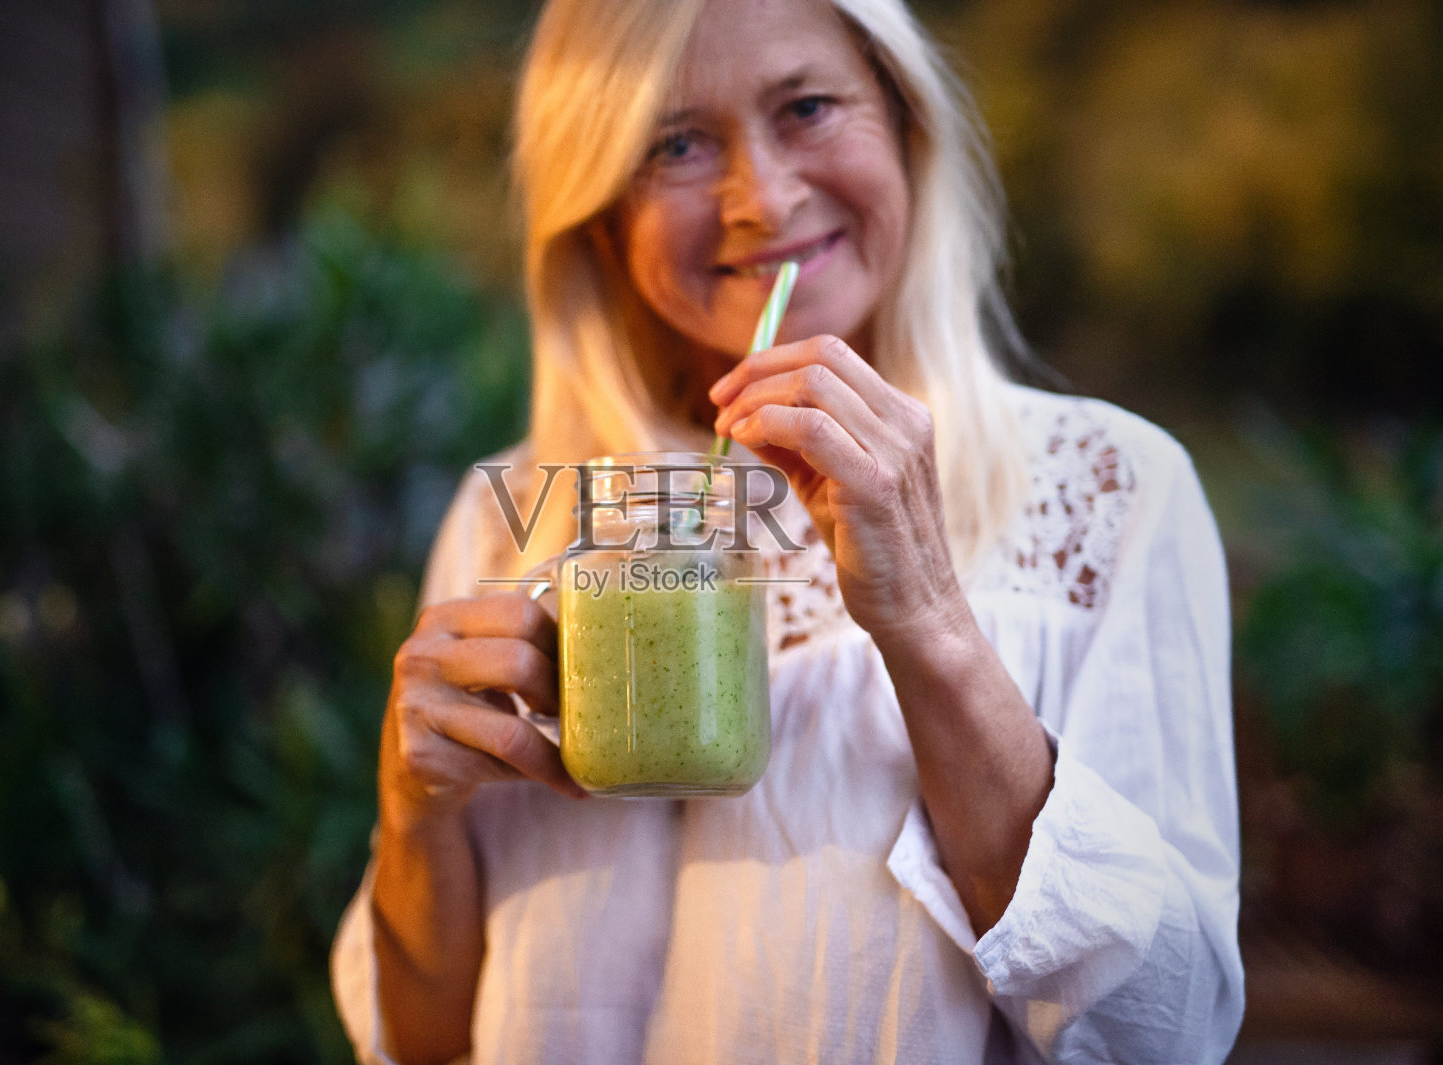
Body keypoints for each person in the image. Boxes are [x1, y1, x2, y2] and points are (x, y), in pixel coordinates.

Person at [332, 0, 1244, 1060]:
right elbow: (420, 1041)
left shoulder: (1105, 492)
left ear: (904, 122)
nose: (762, 199)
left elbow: (1167, 1036)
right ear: (598, 211)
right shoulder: (519, 518)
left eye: (807, 106)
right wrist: (415, 815)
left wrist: (925, 617)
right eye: (673, 144)